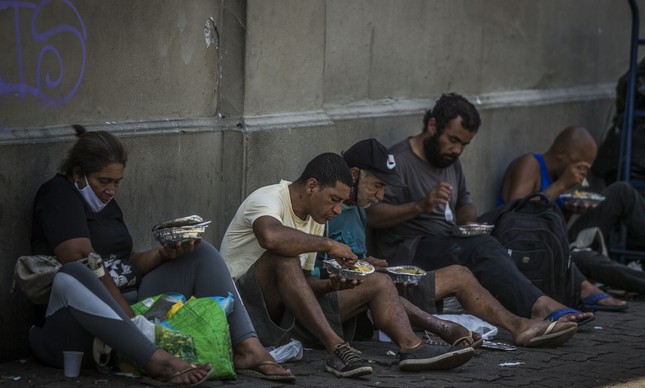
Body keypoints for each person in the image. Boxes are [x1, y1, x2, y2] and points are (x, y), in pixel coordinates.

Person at [29, 125, 295, 385]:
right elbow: (84, 259)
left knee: (200, 253)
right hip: (78, 329)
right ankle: (156, 360)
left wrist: (164, 254)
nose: (111, 190)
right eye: (104, 181)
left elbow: (127, 262)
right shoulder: (58, 194)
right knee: (75, 271)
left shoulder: (106, 204)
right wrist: (134, 325)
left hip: (132, 312)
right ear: (78, 174)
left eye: (117, 182)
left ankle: (249, 348)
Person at [220, 152, 475, 379]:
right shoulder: (267, 198)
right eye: (334, 199)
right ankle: (336, 348)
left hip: (283, 314)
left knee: (377, 281)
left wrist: (333, 284)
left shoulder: (315, 218)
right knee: (283, 256)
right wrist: (328, 244)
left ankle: (413, 347)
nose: (338, 210)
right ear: (311, 186)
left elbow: (303, 282)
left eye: (342, 202)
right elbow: (271, 237)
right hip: (243, 311)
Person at [319, 138, 578, 348]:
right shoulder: (329, 207)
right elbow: (319, 268)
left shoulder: (358, 206)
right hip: (348, 299)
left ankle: (519, 325)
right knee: (381, 284)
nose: (381, 195)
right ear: (354, 175)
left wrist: (368, 264)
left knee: (460, 274)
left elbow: (354, 259)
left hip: (372, 286)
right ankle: (431, 337)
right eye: (377, 186)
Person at [365, 93, 594, 325]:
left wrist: (470, 223)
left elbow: (465, 202)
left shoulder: (449, 160)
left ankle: (574, 289)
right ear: (432, 126)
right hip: (412, 248)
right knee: (481, 247)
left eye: (464, 144)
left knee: (518, 216)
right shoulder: (399, 160)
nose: (457, 150)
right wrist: (420, 205)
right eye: (453, 140)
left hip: (448, 236)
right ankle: (538, 306)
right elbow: (371, 215)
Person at [499, 125, 645, 301]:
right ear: (562, 154)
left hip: (558, 243)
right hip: (533, 252)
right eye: (580, 167)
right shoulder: (530, 164)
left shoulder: (558, 178)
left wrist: (569, 210)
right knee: (583, 258)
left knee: (621, 191)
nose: (582, 176)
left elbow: (555, 227)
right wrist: (561, 185)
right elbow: (515, 215)